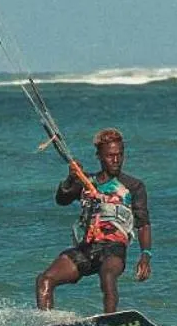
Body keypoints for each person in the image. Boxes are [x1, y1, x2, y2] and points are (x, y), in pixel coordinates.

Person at [35, 127, 152, 314]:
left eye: (120, 155)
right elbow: (62, 199)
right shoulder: (86, 181)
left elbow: (143, 223)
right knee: (45, 279)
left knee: (107, 276)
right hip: (87, 248)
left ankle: (109, 321)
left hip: (114, 249)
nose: (116, 160)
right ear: (99, 156)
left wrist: (145, 256)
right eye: (110, 155)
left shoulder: (134, 186)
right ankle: (46, 323)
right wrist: (70, 179)